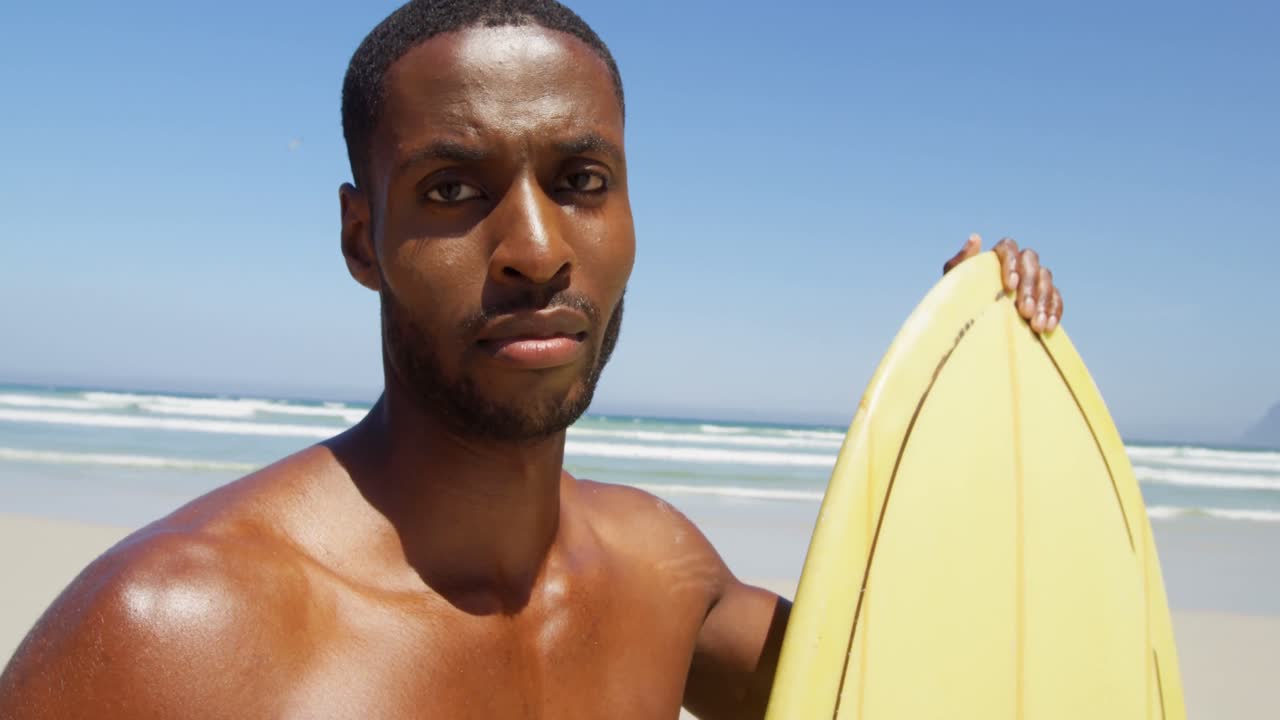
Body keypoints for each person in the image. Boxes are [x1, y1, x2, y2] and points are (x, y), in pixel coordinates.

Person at [0, 1, 1064, 718]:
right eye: (453, 190)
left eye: (581, 180)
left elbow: (911, 680)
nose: (537, 251)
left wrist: (976, 389)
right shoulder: (168, 634)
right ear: (360, 239)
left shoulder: (661, 577)